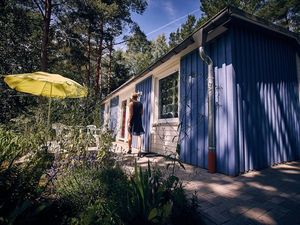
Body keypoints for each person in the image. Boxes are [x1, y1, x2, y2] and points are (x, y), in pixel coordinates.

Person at [127, 92, 144, 157]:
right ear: (137, 97)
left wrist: (129, 121)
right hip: (139, 121)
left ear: (132, 97)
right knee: (139, 135)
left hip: (133, 121)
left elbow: (131, 114)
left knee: (130, 134)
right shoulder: (141, 104)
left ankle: (129, 149)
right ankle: (139, 150)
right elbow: (142, 113)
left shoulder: (131, 104)